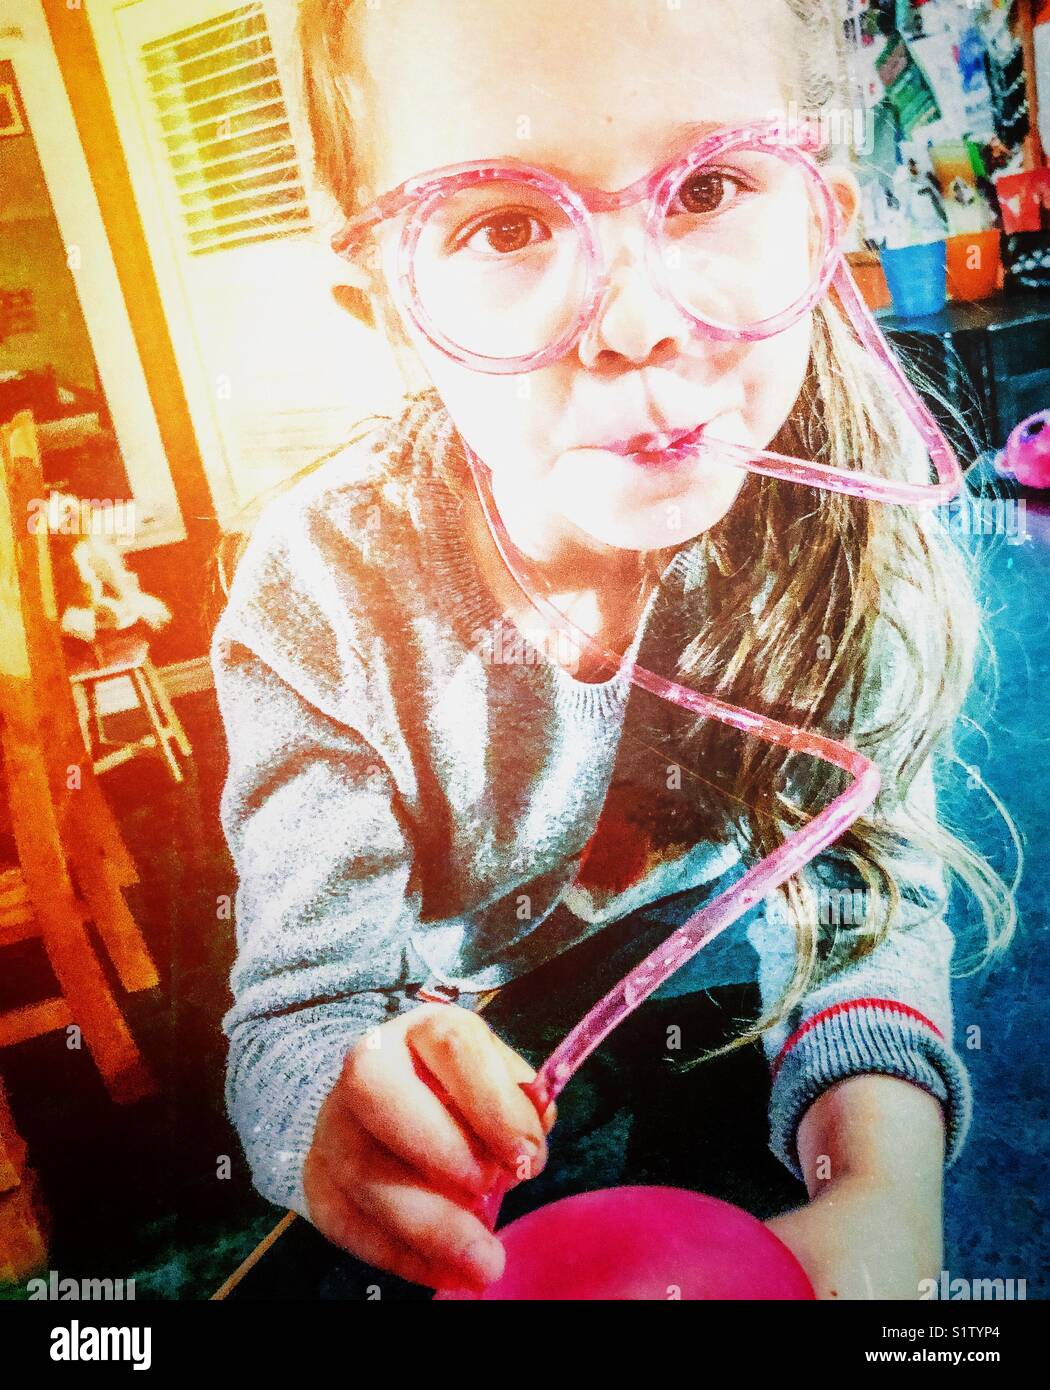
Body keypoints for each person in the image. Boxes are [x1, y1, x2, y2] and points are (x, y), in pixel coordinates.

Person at [211, 0, 1015, 1299]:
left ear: (825, 215)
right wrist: (337, 1109)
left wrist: (880, 1189)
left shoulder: (842, 512)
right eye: (504, 224)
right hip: (471, 1083)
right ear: (385, 309)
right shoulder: (327, 587)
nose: (634, 319)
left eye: (705, 185)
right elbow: (295, 1027)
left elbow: (868, 897)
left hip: (724, 1006)